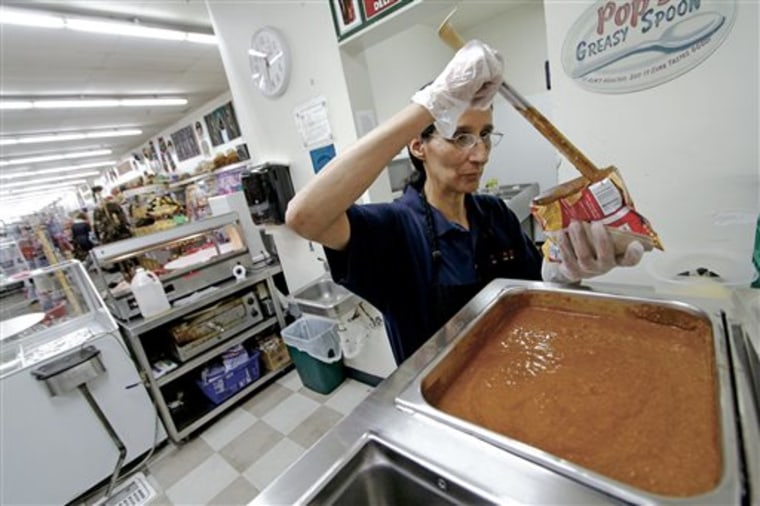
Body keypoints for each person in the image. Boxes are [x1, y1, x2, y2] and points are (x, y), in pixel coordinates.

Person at [286, 40, 644, 365]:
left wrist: (565, 274)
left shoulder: (494, 214)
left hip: (515, 374)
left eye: (485, 136)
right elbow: (304, 216)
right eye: (460, 138)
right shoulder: (392, 230)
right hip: (437, 403)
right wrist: (431, 103)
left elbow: (535, 286)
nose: (480, 155)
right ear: (417, 145)